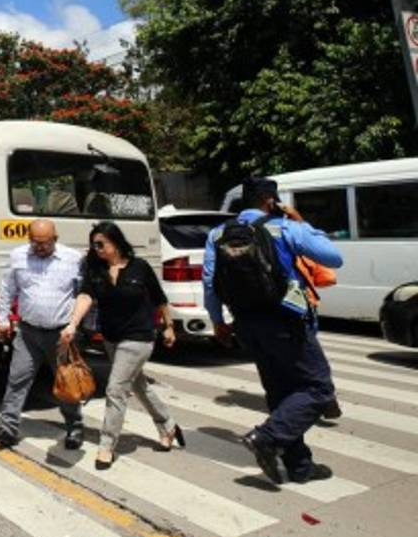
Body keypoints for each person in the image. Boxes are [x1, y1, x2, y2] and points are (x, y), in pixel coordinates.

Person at [203, 176, 343, 484]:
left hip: (246, 324)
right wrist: (300, 220)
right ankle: (266, 437)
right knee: (319, 389)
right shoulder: (284, 227)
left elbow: (210, 284)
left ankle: (299, 467)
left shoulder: (217, 234)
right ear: (270, 200)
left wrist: (218, 323)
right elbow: (334, 257)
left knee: (280, 393)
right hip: (285, 321)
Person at [63, 221, 182, 469]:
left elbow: (159, 298)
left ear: (115, 242)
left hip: (139, 337)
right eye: (93, 245)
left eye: (101, 244)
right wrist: (73, 323)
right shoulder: (95, 270)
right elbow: (85, 296)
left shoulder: (139, 267)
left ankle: (107, 446)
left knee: (115, 389)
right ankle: (168, 424)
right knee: (138, 385)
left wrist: (169, 326)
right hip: (112, 338)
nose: (96, 249)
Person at [0, 218, 85, 450]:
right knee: (17, 379)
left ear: (55, 239)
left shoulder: (73, 259)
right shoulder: (18, 256)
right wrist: (2, 318)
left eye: (45, 243)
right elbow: (7, 289)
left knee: (66, 383)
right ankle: (8, 429)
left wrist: (78, 326)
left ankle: (75, 426)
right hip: (28, 332)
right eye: (35, 242)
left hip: (60, 335)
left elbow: (84, 293)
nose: (40, 247)